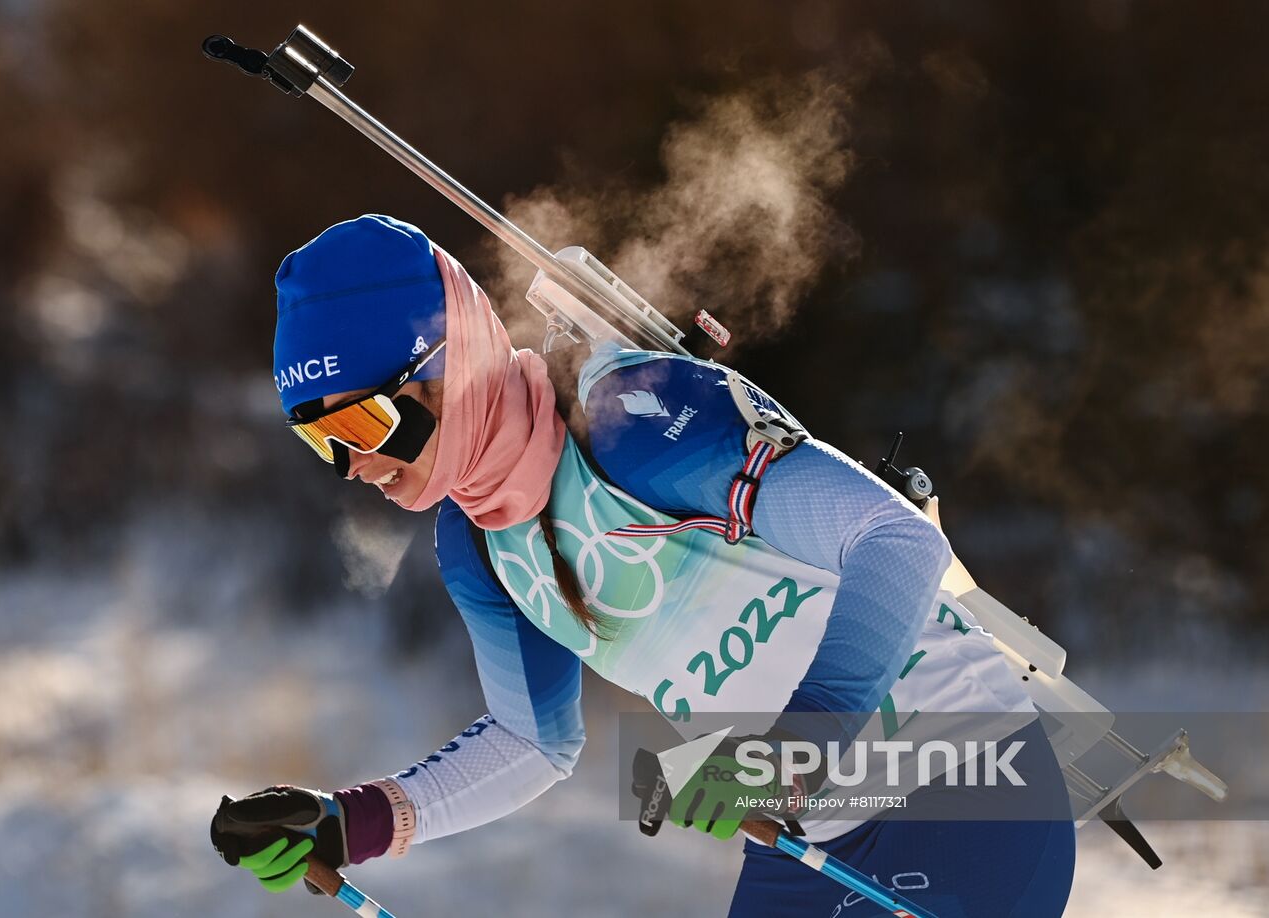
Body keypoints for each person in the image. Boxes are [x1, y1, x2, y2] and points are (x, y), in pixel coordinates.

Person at [209, 214, 1075, 916]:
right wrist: (346, 824)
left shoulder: (631, 419)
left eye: (361, 426)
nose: (350, 465)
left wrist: (796, 745)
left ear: (448, 364)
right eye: (319, 440)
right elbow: (532, 741)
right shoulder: (477, 545)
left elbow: (896, 542)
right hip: (817, 837)